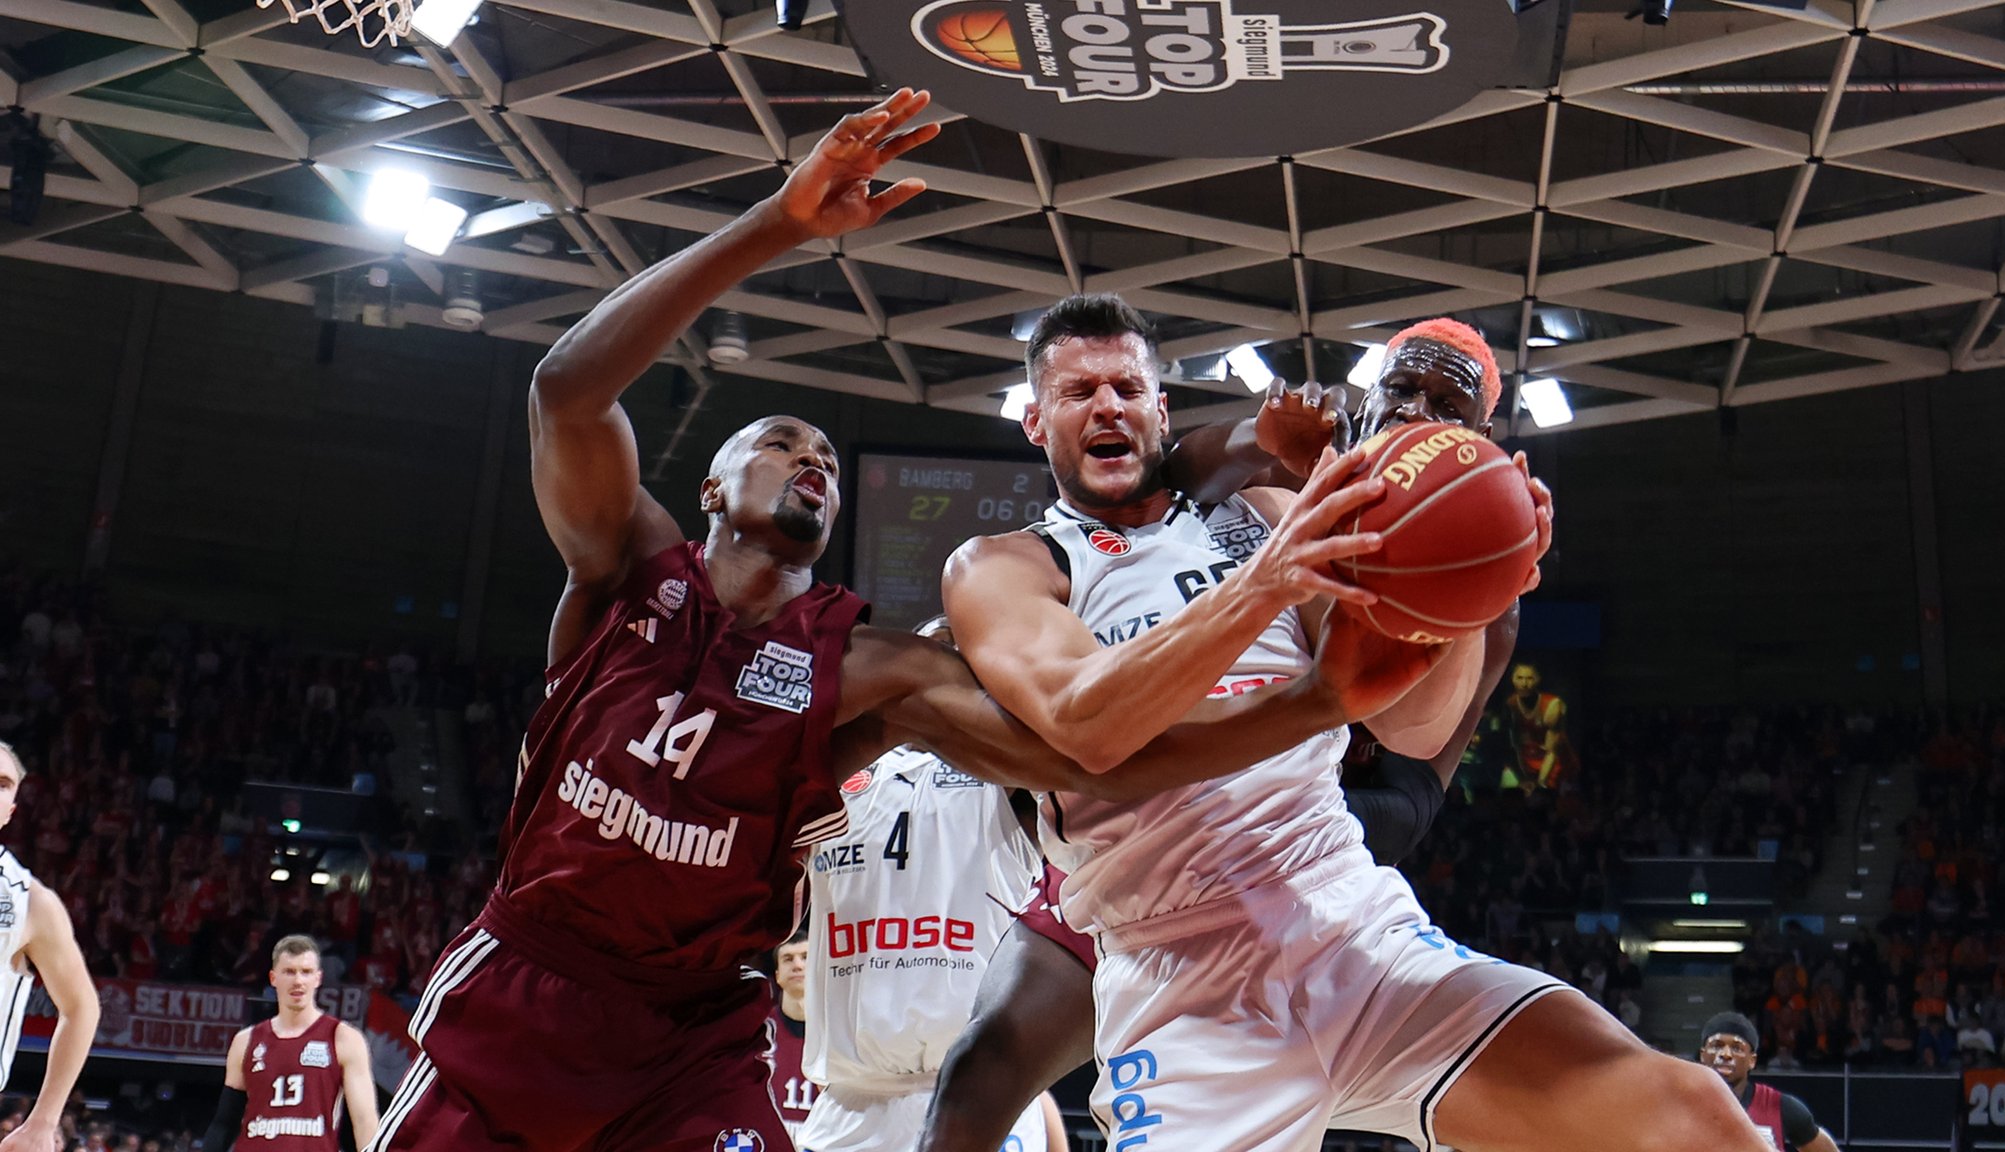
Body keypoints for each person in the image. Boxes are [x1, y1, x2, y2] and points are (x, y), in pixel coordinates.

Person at [371, 89, 1435, 1152]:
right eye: (784, 441)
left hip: (694, 1042)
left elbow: (1094, 761)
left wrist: (1316, 702)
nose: (814, 462)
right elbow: (565, 389)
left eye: (828, 460)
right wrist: (778, 226)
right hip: (529, 991)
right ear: (708, 486)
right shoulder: (620, 574)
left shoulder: (869, 668)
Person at [939, 302, 1762, 1152]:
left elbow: (1409, 728)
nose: (1107, 406)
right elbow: (1087, 722)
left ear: (1160, 410)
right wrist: (1263, 585)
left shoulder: (1268, 510)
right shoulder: (1005, 566)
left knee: (1688, 1116)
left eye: (1126, 387)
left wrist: (1465, 586)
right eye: (1079, 391)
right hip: (1180, 962)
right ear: (1037, 420)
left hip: (1345, 915)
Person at [917, 333, 1522, 1152]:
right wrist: (1262, 438)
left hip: (1350, 816)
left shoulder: (1486, 567)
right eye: (1403, 391)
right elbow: (1183, 463)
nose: (1417, 414)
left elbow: (1414, 741)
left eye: (1450, 410)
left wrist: (1454, 598)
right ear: (1367, 400)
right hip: (1151, 868)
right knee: (979, 1076)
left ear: (1482, 437)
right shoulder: (1285, 486)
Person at [799, 621, 1064, 1152]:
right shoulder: (832, 771)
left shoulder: (1009, 773)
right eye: (934, 653)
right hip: (852, 1104)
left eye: (963, 660)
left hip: (984, 1098)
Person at [0, 741, 100, 1152]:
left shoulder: (30, 901)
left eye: (4, 784)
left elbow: (82, 1007)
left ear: (10, 810)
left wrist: (43, 1121)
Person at [204, 936, 380, 1152]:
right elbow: (224, 1124)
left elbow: (365, 1122)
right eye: (289, 972)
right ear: (273, 978)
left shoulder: (343, 1038)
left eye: (305, 972)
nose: (298, 981)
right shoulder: (246, 1041)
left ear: (318, 978)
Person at [1700, 1012, 1841, 1152]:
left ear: (1752, 1060)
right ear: (1703, 1055)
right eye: (1717, 1045)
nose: (1725, 1054)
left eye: (1737, 1048)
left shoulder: (1779, 1107)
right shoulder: (1681, 1105)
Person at [768, 935, 816, 1143]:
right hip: (770, 1139)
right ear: (777, 975)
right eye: (788, 959)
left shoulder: (840, 1030)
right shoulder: (757, 1030)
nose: (797, 965)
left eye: (805, 957)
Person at [1503, 662, 1575, 790]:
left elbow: (1552, 751)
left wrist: (1541, 783)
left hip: (1556, 767)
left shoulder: (1551, 706)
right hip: (1528, 765)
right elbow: (1517, 745)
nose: (1524, 684)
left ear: (1538, 680)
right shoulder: (1511, 704)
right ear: (1512, 679)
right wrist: (1523, 778)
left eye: (1529, 678)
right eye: (1519, 678)